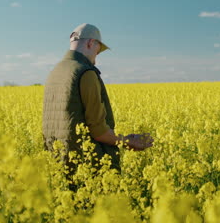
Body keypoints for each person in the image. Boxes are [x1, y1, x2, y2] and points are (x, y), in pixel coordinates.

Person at [42, 23, 153, 180]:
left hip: (59, 164)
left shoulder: (54, 72)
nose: (97, 55)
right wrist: (127, 141)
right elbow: (99, 132)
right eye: (98, 49)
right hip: (88, 166)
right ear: (90, 43)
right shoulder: (85, 73)